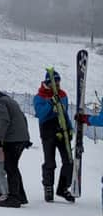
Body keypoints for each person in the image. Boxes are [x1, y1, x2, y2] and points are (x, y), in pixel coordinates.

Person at [32, 70, 75, 202]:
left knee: (68, 161)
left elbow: (64, 112)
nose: (57, 84)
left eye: (58, 81)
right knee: (50, 162)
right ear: (48, 83)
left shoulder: (63, 95)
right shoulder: (39, 97)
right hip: (47, 131)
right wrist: (50, 103)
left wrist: (70, 128)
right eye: (54, 82)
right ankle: (48, 186)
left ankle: (63, 188)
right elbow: (41, 114)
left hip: (62, 130)